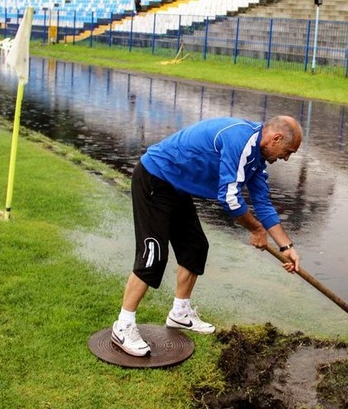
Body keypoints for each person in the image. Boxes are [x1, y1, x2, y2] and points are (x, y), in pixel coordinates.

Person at [111, 116, 303, 357]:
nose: (285, 158)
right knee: (154, 254)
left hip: (177, 186)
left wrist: (286, 247)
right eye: (288, 151)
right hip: (155, 178)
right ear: (275, 138)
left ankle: (180, 313)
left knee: (195, 247)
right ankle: (123, 325)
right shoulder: (240, 140)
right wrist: (256, 230)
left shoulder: (257, 156)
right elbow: (229, 199)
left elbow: (262, 203)